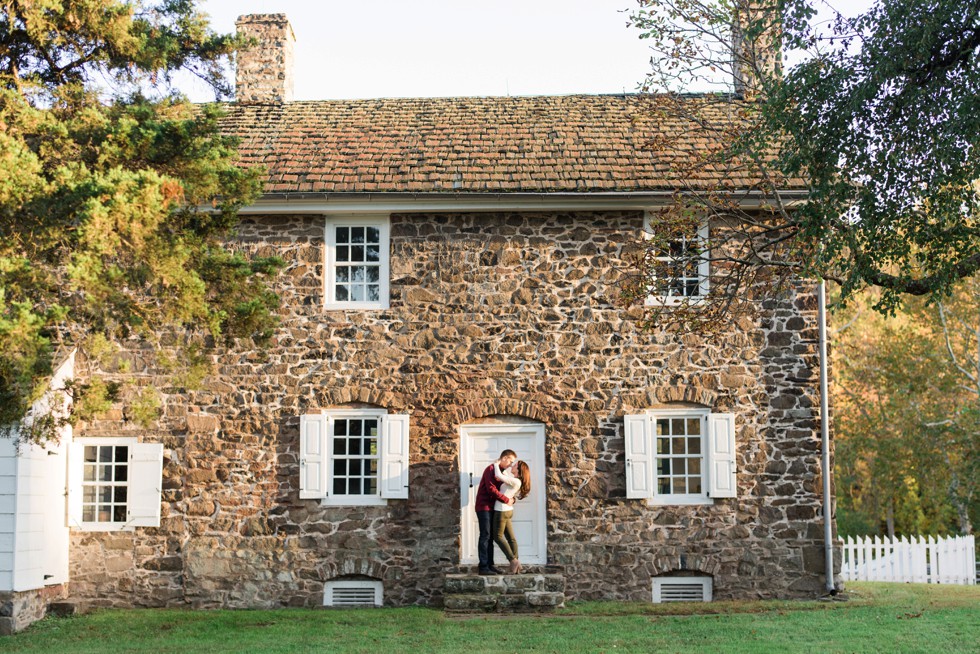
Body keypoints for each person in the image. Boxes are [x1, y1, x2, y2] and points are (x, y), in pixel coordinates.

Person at [475, 449, 516, 575]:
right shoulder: (491, 469)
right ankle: (483, 567)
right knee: (485, 535)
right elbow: (491, 489)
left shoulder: (502, 473)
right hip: (484, 507)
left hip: (495, 508)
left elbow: (507, 489)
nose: (511, 465)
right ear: (504, 458)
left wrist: (512, 499)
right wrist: (506, 500)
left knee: (492, 537)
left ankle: (490, 565)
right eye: (510, 461)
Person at [493, 459, 531, 574]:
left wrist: (496, 464)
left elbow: (498, 475)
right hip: (507, 511)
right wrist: (504, 467)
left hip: (501, 511)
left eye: (515, 465)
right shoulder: (514, 480)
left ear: (519, 470)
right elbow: (503, 475)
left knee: (497, 536)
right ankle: (516, 564)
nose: (512, 466)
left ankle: (512, 560)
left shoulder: (516, 481)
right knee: (510, 538)